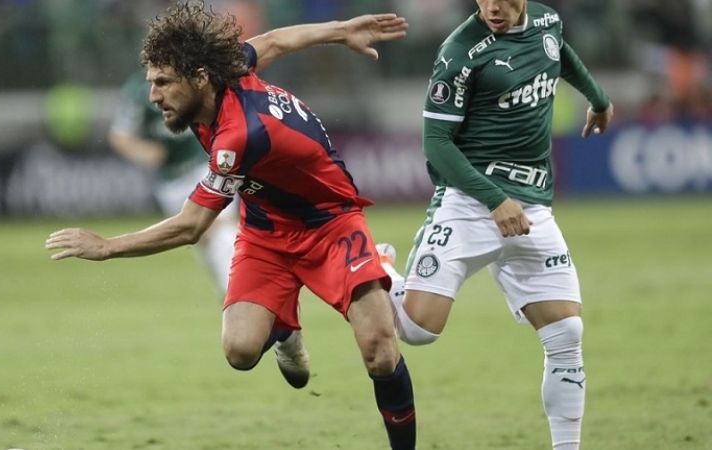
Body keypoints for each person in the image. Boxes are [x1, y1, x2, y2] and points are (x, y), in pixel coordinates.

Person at [46, 2, 416, 449]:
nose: (154, 97)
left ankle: (378, 267)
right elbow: (276, 40)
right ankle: (285, 329)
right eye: (151, 83)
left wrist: (106, 247)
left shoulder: (238, 135)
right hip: (265, 231)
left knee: (379, 352)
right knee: (240, 351)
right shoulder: (227, 71)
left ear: (199, 78)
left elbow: (190, 226)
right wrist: (339, 31)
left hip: (331, 225)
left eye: (163, 83)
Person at [377, 1, 613, 450]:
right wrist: (494, 200)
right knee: (418, 330)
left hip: (533, 206)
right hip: (469, 203)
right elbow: (436, 143)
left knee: (567, 334)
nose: (492, 7)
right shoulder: (460, 52)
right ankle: (383, 270)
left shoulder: (546, 20)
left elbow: (558, 51)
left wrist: (598, 99)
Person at [109, 71, 237, 294]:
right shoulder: (138, 91)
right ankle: (231, 291)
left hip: (204, 166)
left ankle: (239, 292)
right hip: (171, 182)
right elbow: (120, 136)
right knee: (203, 240)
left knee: (218, 228)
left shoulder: (194, 78)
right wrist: (144, 151)